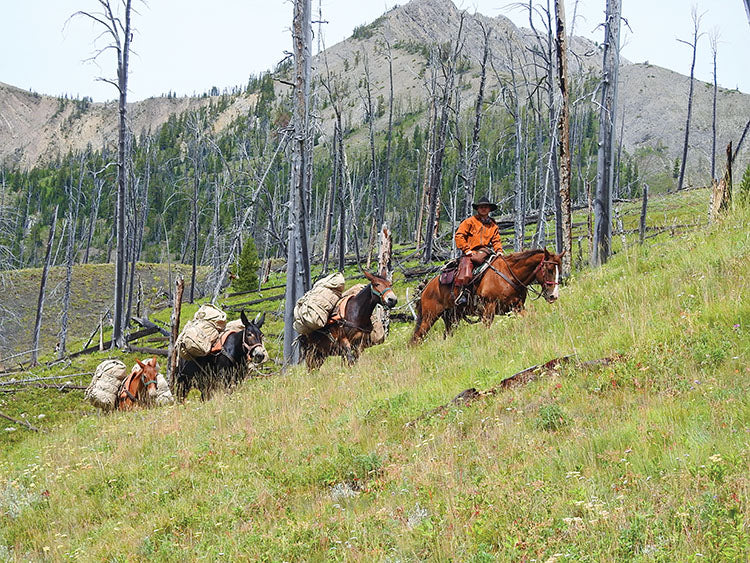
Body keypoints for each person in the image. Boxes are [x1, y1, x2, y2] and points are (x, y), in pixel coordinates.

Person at [453, 196, 504, 304]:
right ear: (478, 209)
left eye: (486, 207)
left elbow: (496, 240)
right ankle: (463, 294)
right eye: (481, 207)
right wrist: (467, 250)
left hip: (486, 252)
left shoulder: (493, 225)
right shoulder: (470, 222)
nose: (484, 209)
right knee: (466, 272)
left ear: (489, 209)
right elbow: (459, 235)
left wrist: (499, 250)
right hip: (471, 252)